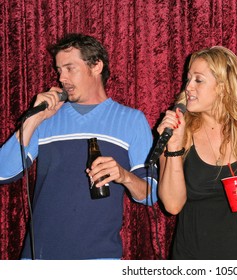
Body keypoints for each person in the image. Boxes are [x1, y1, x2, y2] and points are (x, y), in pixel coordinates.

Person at [0, 33, 157, 260]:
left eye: (69, 68)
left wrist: (124, 176)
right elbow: (3, 172)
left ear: (96, 66)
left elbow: (151, 195)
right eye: (59, 70)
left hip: (100, 259)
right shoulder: (47, 118)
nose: (61, 77)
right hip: (40, 259)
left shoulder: (131, 120)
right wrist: (33, 119)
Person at [156, 46, 237, 259]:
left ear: (223, 86)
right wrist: (173, 145)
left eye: (198, 80)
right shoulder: (180, 129)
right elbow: (172, 205)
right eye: (188, 79)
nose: (188, 87)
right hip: (194, 256)